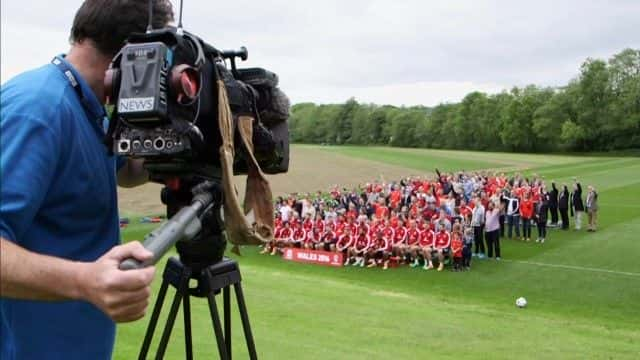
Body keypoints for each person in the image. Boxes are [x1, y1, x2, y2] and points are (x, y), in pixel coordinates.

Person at [0, 1, 174, 359]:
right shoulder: (39, 109)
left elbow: (125, 170)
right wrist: (85, 281)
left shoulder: (90, 108)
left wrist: (187, 149)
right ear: (135, 57)